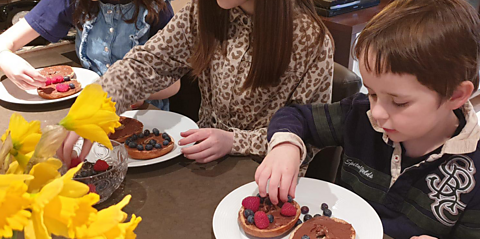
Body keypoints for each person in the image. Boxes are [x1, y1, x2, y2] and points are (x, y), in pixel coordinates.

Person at [255, 0, 480, 239]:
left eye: (399, 102)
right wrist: (286, 148)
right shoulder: (360, 116)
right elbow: (296, 117)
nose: (378, 112)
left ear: (455, 95)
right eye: (372, 93)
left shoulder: (473, 170)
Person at [59, 0, 334, 167]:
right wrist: (99, 100)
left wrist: (235, 141)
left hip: (268, 176)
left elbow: (309, 134)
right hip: (204, 161)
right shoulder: (203, 12)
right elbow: (147, 63)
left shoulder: (311, 40)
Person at [0, 0, 180, 110]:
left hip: (142, 113)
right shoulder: (70, 2)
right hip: (87, 107)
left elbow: (173, 83)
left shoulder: (157, 7)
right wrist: (6, 58)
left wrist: (138, 93)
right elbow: (5, 42)